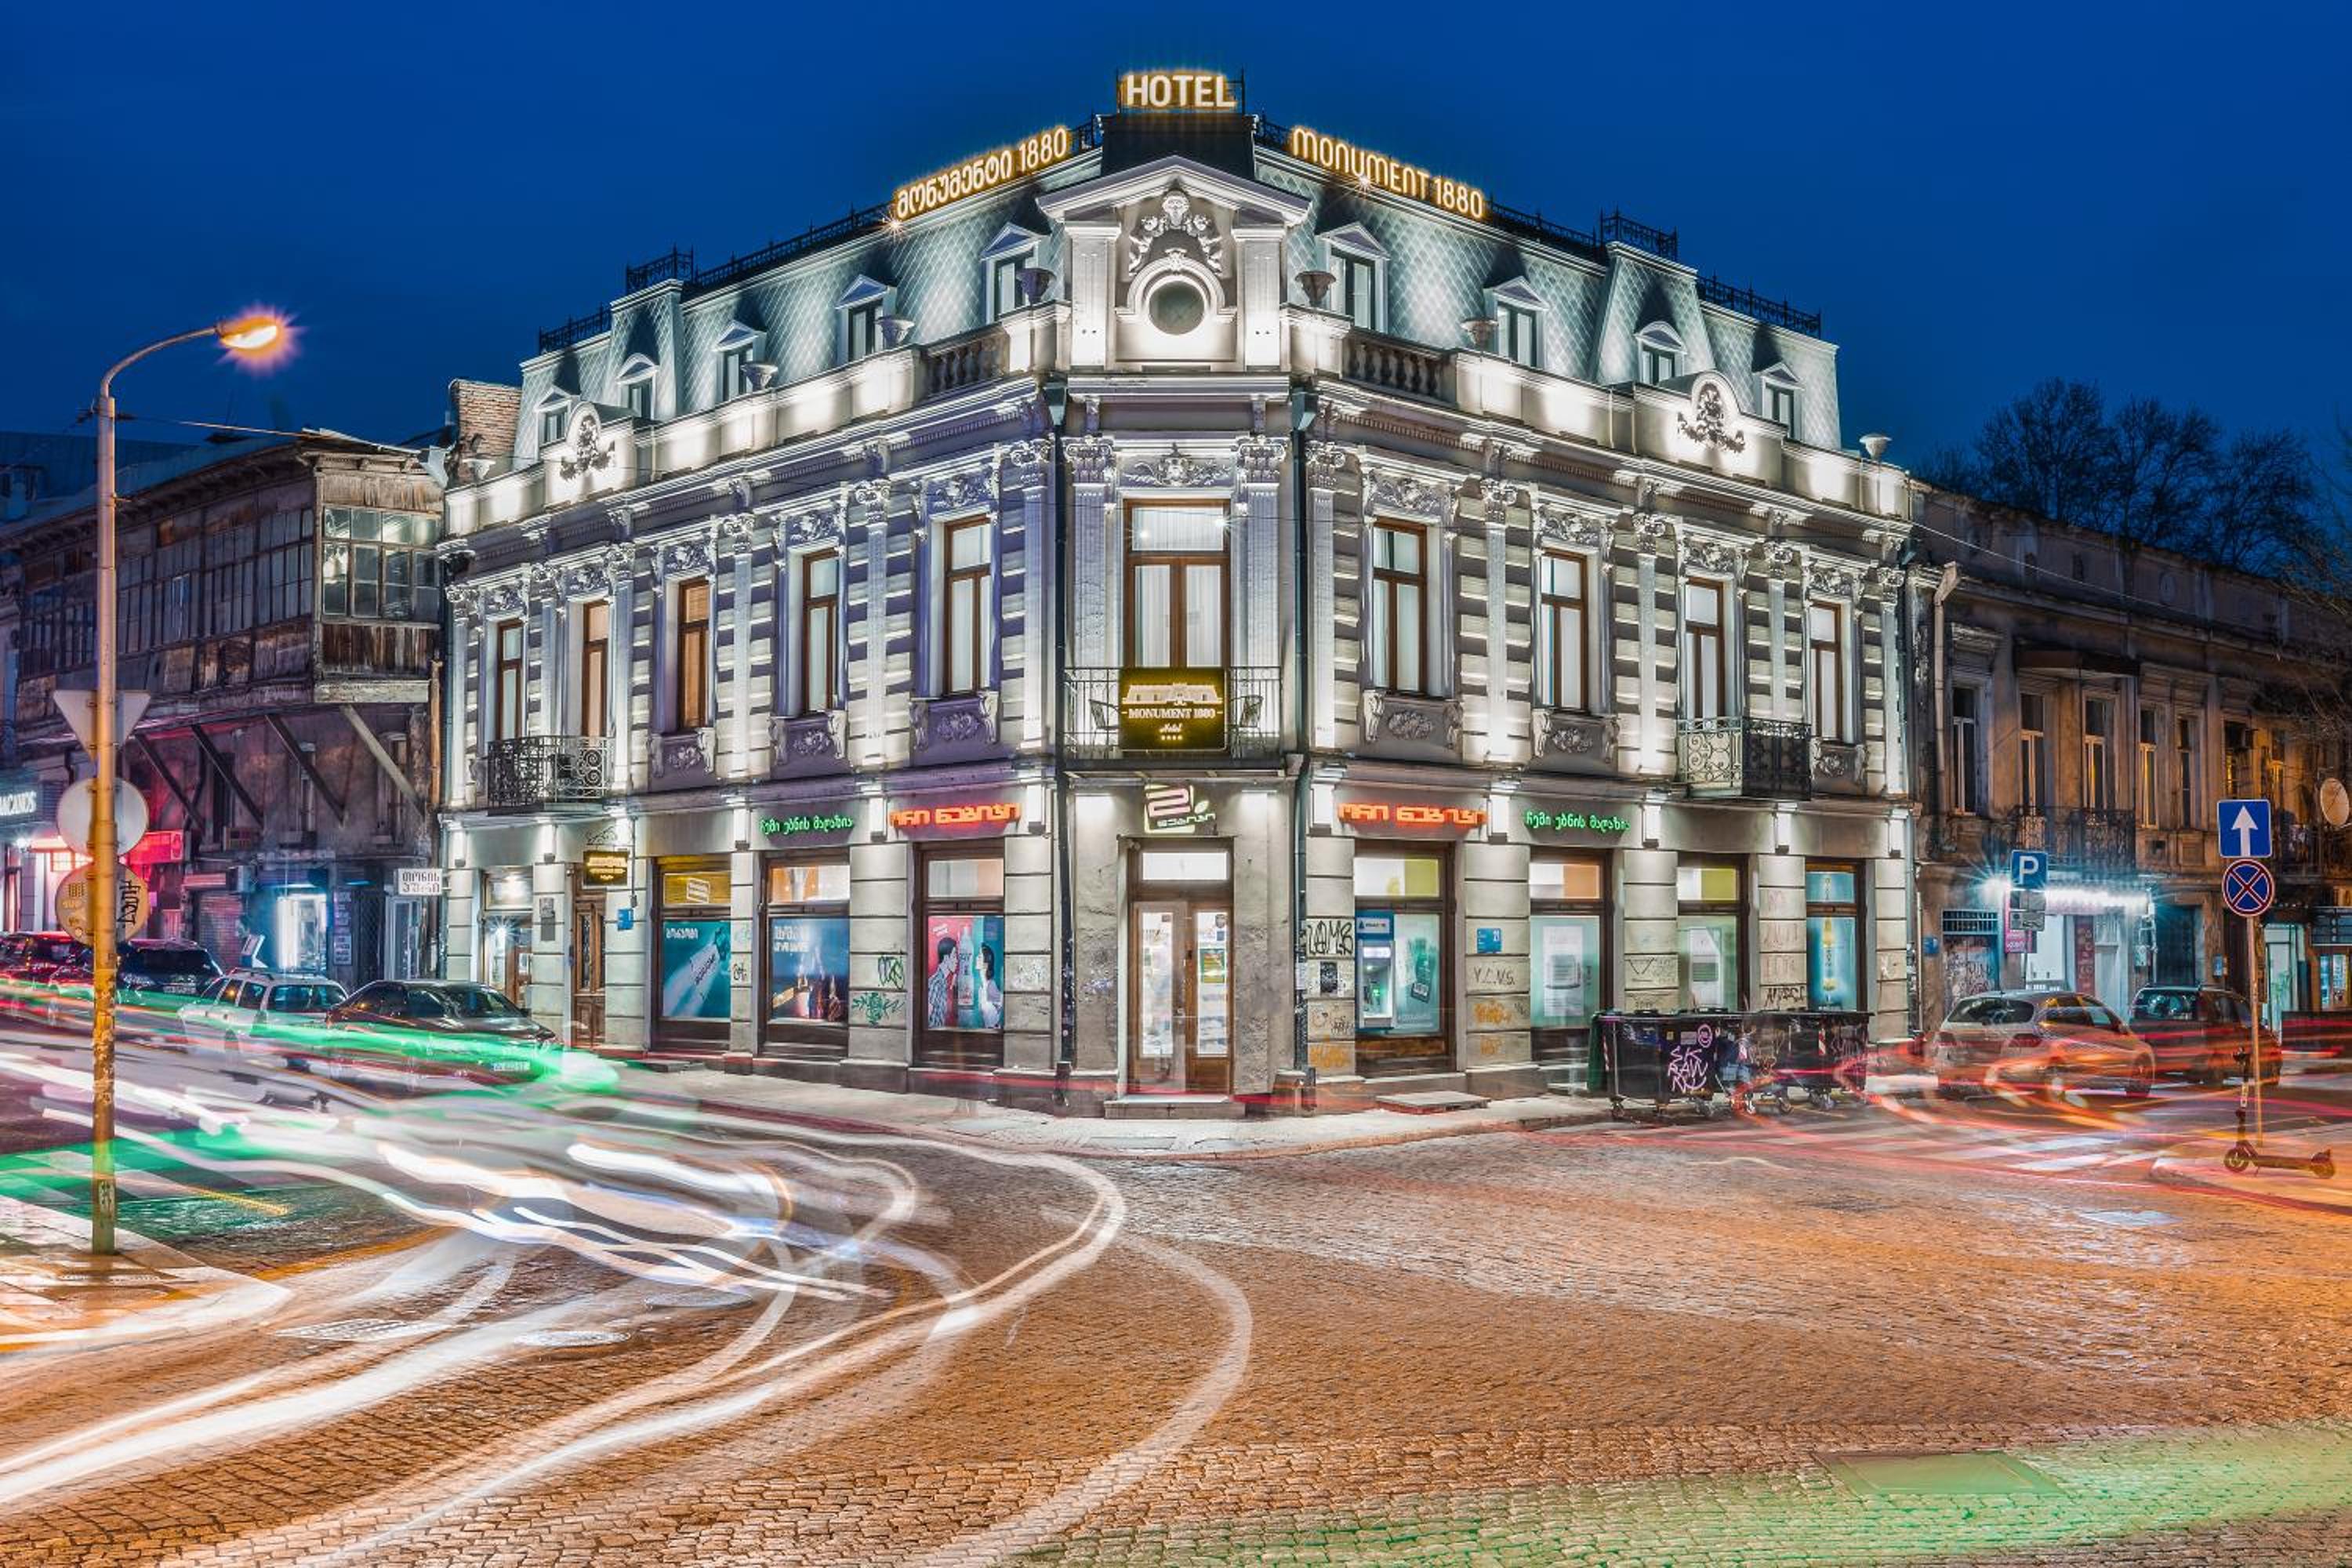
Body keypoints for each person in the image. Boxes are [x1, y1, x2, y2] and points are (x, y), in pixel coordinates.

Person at [927, 935, 960, 1028]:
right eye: (954, 956)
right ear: (946, 958)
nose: (957, 961)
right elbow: (927, 1017)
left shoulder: (943, 982)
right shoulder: (936, 983)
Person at [975, 943, 1004, 1029]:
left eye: (980, 956)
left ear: (986, 964)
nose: (976, 958)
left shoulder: (991, 987)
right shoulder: (982, 988)